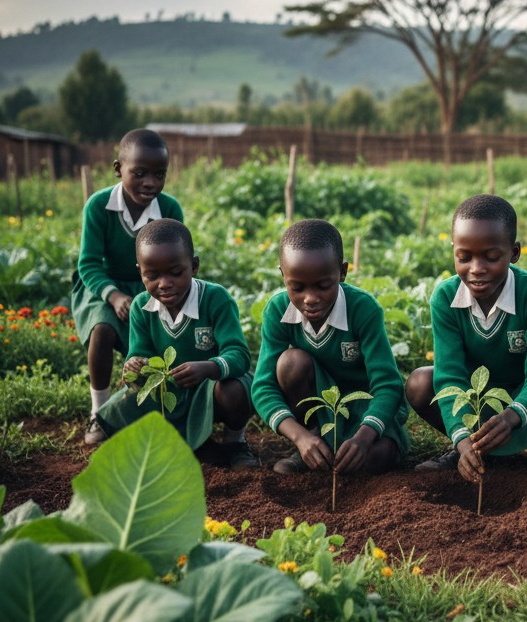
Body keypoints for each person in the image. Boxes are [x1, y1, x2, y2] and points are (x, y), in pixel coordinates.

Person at [407, 194, 527, 480]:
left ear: (514, 252)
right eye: (464, 257)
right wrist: (460, 434)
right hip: (473, 398)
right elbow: (449, 377)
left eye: (491, 257)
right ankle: (465, 446)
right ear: (453, 251)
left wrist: (512, 415)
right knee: (420, 383)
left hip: (525, 400)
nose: (476, 268)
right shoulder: (445, 298)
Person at [94, 219, 258, 468]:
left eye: (176, 272)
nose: (164, 283)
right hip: (170, 390)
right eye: (152, 275)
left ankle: (234, 442)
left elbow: (239, 354)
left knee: (234, 391)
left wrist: (209, 368)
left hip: (210, 389)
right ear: (140, 272)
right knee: (124, 403)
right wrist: (135, 365)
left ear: (194, 266)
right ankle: (194, 444)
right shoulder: (141, 307)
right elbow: (139, 352)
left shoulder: (215, 299)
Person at [251, 219, 408, 476]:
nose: (310, 299)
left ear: (342, 272)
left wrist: (364, 437)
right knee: (290, 363)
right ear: (283, 275)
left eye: (323, 286)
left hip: (363, 405)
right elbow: (262, 387)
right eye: (297, 287)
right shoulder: (278, 310)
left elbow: (388, 385)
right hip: (318, 405)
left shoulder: (363, 309)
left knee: (376, 458)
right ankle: (315, 440)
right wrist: (300, 437)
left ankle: (336, 449)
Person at [72, 128, 183, 445]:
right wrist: (114, 295)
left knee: (161, 343)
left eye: (159, 174)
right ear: (118, 169)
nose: (150, 182)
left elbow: (177, 261)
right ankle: (100, 413)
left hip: (152, 285)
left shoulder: (170, 209)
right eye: (140, 173)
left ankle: (150, 408)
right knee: (102, 330)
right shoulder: (99, 206)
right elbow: (89, 263)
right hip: (103, 286)